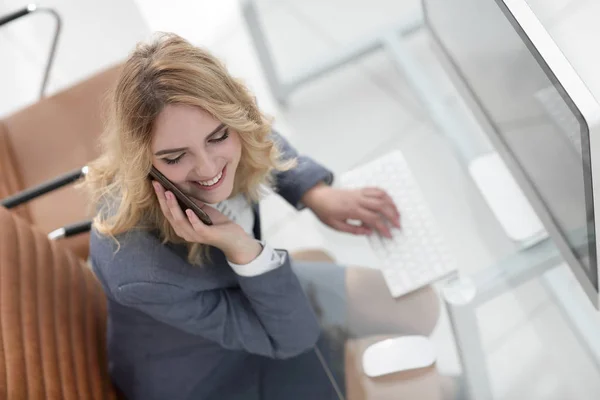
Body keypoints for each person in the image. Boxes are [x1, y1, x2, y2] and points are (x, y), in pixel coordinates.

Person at [86, 32, 442, 400]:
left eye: (218, 135)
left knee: (420, 308)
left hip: (247, 298)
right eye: (175, 158)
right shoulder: (140, 272)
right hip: (214, 377)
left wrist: (312, 191)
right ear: (141, 159)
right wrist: (244, 250)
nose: (208, 169)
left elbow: (252, 129)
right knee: (414, 385)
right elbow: (295, 338)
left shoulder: (213, 132)